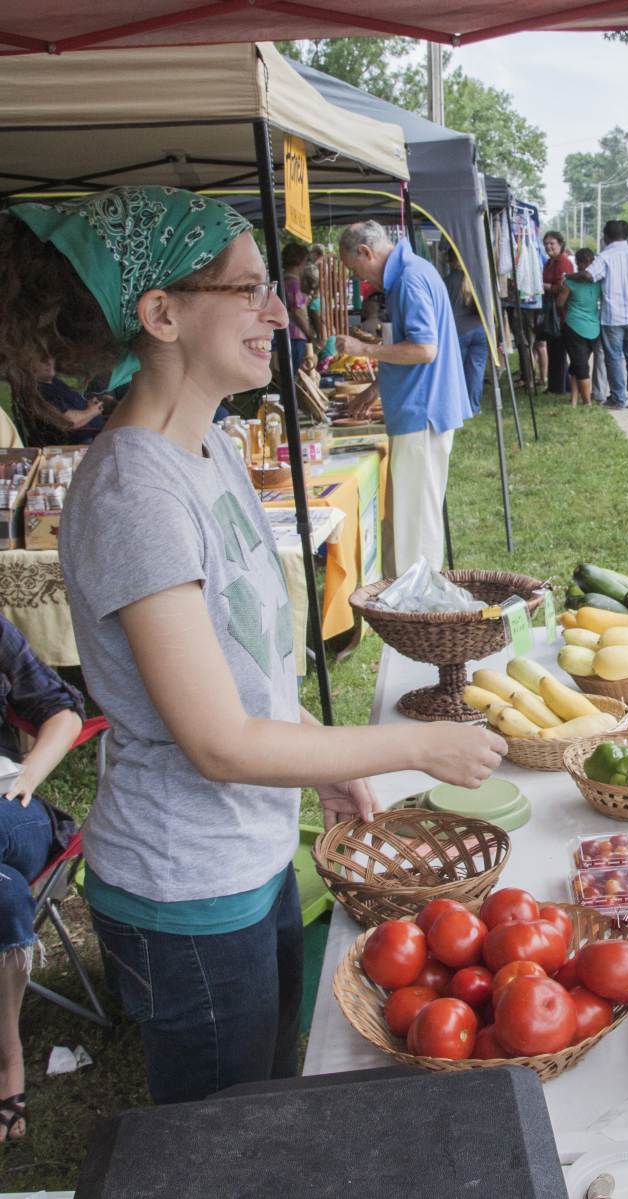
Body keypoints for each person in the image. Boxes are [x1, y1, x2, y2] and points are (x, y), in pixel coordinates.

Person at [0, 187, 506, 1106]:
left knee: (272, 1092)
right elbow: (219, 741)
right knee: (222, 1139)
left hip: (251, 852)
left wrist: (322, 764)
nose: (279, 310)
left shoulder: (213, 450)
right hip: (184, 893)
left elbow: (247, 673)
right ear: (160, 314)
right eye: (246, 290)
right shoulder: (133, 495)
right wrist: (415, 743)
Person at [337, 220, 472, 576]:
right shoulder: (411, 273)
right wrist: (376, 387)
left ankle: (419, 602)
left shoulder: (410, 279)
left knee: (417, 518)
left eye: (355, 269)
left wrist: (365, 349)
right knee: (411, 512)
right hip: (419, 407)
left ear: (366, 252)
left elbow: (424, 350)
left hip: (422, 411)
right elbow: (410, 346)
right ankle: (407, 594)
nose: (359, 280)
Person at [0, 617, 84, 1141]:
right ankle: (8, 1055)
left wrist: (27, 774)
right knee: (4, 891)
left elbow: (63, 712)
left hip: (10, 810)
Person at [579, 220, 628, 410]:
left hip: (612, 316)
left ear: (606, 236)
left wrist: (570, 276)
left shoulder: (605, 256)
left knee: (613, 358)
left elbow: (589, 276)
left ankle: (618, 398)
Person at [21, 358, 107, 446]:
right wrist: (92, 411)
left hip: (95, 434)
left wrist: (91, 405)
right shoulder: (39, 391)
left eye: (49, 357)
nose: (49, 362)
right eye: (42, 360)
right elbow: (67, 421)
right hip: (81, 442)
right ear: (29, 366)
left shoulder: (54, 382)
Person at [444, 250, 488, 416]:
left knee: (456, 371)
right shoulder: (478, 279)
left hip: (458, 330)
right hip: (480, 329)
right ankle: (474, 407)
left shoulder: (447, 281)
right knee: (476, 370)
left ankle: (458, 408)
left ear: (451, 262)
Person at [558, 248, 602, 408]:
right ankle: (576, 401)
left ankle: (586, 402)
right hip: (593, 328)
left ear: (577, 263)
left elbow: (560, 303)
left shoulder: (569, 282)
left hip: (574, 327)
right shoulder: (599, 282)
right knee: (579, 363)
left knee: (580, 366)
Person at [540, 232, 574, 396]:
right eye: (546, 243)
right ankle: (556, 385)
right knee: (552, 349)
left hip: (561, 312)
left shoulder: (564, 262)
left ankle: (560, 387)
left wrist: (547, 287)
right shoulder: (548, 262)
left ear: (560, 244)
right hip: (549, 309)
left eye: (552, 243)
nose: (548, 246)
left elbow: (564, 287)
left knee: (559, 350)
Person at [280, 242, 315, 373]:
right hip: (295, 335)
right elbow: (297, 312)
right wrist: (309, 332)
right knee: (295, 374)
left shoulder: (282, 280)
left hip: (286, 333)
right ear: (301, 261)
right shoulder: (293, 283)